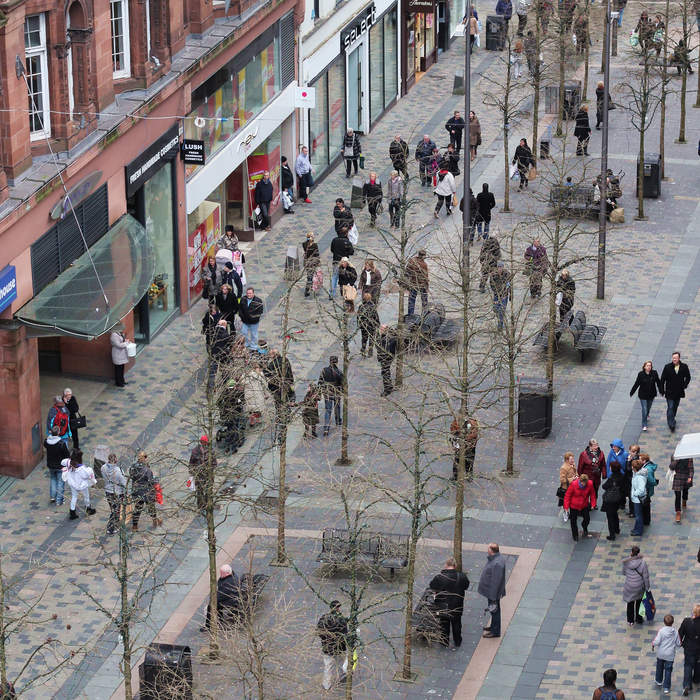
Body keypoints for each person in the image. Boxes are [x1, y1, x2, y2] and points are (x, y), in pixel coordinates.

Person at [429, 557, 469, 647]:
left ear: (446, 565)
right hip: (457, 604)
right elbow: (466, 586)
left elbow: (432, 586)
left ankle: (444, 641)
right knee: (457, 623)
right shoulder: (462, 576)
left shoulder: (439, 577)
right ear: (455, 565)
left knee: (444, 623)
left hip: (443, 605)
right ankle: (457, 641)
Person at [317, 600, 348, 690]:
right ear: (338, 608)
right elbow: (344, 633)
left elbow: (320, 632)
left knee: (328, 666)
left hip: (328, 648)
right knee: (341, 662)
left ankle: (326, 685)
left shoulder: (324, 618)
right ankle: (342, 676)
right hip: (339, 648)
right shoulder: (341, 619)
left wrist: (326, 640)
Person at [478, 543, 506, 638]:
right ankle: (493, 627)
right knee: (494, 610)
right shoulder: (497, 559)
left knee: (495, 611)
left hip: (493, 593)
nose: (487, 550)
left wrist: (493, 597)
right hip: (492, 592)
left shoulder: (497, 563)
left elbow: (495, 582)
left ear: (491, 550)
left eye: (488, 548)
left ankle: (495, 631)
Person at [202, 564, 242, 631]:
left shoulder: (228, 583)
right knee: (215, 603)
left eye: (222, 573)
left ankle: (208, 626)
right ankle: (219, 619)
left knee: (211, 605)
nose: (220, 574)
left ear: (227, 573)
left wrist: (213, 599)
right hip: (232, 597)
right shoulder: (231, 576)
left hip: (231, 600)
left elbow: (220, 596)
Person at [660, 351, 691, 432]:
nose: (674, 359)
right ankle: (671, 424)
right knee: (670, 407)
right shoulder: (667, 367)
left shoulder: (684, 367)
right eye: (673, 358)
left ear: (679, 358)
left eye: (675, 358)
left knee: (675, 407)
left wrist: (684, 385)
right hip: (669, 392)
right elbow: (662, 379)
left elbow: (688, 377)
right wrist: (662, 390)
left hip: (679, 392)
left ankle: (672, 418)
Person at [130, 451, 161, 530]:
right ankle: (154, 520)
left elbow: (131, 476)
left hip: (137, 491)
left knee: (137, 508)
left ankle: (134, 526)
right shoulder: (147, 470)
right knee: (151, 506)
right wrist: (156, 480)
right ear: (144, 458)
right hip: (146, 492)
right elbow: (151, 481)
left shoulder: (133, 467)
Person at [653, 614, 682, 694]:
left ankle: (659, 680)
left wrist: (653, 643)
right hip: (670, 655)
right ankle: (666, 687)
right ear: (672, 622)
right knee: (668, 671)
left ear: (664, 622)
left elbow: (657, 641)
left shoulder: (661, 631)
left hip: (661, 654)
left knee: (659, 667)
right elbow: (679, 643)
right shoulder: (675, 632)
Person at [629, 360, 662, 431]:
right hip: (643, 395)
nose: (649, 367)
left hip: (651, 394)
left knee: (648, 408)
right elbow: (637, 383)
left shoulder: (654, 373)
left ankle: (647, 415)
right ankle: (644, 424)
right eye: (647, 365)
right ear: (644, 367)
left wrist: (661, 391)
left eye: (650, 365)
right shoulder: (641, 374)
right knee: (644, 409)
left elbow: (658, 382)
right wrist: (632, 391)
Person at [62, 451, 95, 519]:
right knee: (86, 496)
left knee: (74, 497)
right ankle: (88, 509)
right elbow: (86, 475)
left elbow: (62, 462)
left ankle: (72, 512)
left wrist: (69, 461)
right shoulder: (82, 468)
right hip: (81, 484)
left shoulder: (69, 463)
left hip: (73, 484)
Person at [622, 545, 650, 625]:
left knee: (630, 603)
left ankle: (630, 620)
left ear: (631, 552)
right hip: (639, 587)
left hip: (629, 586)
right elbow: (646, 577)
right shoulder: (643, 563)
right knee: (639, 602)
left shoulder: (626, 562)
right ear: (638, 553)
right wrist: (647, 588)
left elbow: (624, 572)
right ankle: (639, 619)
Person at [563, 472, 596, 541]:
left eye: (585, 483)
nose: (583, 485)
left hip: (584, 505)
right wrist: (566, 507)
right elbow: (567, 496)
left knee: (587, 519)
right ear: (580, 481)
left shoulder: (590, 484)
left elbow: (592, 494)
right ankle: (575, 535)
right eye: (582, 483)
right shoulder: (573, 484)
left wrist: (593, 504)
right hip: (574, 506)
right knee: (573, 521)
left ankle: (584, 527)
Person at [189, 436, 216, 513]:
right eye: (204, 442)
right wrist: (192, 472)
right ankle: (200, 505)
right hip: (199, 475)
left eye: (206, 443)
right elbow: (191, 463)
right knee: (200, 490)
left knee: (209, 489)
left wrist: (210, 469)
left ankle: (209, 503)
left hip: (208, 475)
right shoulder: (195, 451)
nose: (205, 444)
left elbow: (214, 462)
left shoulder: (211, 451)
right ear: (201, 442)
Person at [44, 425, 70, 506]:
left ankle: (52, 497)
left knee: (53, 479)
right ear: (59, 433)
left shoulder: (46, 441)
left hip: (51, 465)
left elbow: (46, 443)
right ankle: (59, 501)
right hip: (60, 466)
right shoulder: (61, 443)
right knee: (60, 482)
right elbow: (67, 455)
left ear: (51, 432)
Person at [102, 453, 126, 536]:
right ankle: (111, 528)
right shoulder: (118, 471)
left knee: (113, 509)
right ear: (115, 459)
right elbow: (123, 483)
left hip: (108, 491)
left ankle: (114, 525)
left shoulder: (103, 468)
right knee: (116, 511)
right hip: (117, 492)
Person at [679, 604, 700, 696]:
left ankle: (687, 685)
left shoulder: (687, 621)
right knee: (698, 664)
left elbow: (680, 634)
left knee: (688, 666)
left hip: (689, 648)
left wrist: (682, 643)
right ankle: (696, 679)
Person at [319, 356, 343, 436]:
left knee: (328, 410)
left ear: (329, 362)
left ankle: (326, 428)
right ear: (337, 362)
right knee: (337, 407)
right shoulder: (339, 372)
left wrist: (323, 390)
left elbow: (320, 382)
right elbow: (342, 384)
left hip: (327, 392)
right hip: (336, 392)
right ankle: (338, 421)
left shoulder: (324, 370)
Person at [450, 414, 479, 481]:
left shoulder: (472, 423)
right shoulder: (456, 422)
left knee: (469, 460)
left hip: (470, 445)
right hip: (460, 444)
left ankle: (469, 475)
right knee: (457, 460)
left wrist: (465, 438)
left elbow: (474, 434)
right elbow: (452, 430)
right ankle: (455, 476)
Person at [602, 461, 625, 540]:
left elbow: (604, 486)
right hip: (618, 499)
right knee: (615, 514)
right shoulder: (622, 476)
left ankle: (612, 535)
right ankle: (617, 529)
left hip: (610, 500)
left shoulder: (612, 478)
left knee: (610, 517)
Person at [578, 438, 606, 503]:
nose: (596, 447)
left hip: (596, 477)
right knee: (586, 492)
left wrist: (604, 474)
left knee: (595, 491)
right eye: (594, 445)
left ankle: (594, 503)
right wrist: (580, 477)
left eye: (597, 445)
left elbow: (603, 464)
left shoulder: (601, 453)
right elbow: (580, 467)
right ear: (590, 446)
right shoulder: (584, 454)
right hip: (588, 478)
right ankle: (586, 504)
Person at [330, 226, 354, 299]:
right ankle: (344, 293)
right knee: (344, 277)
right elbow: (351, 252)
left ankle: (331, 294)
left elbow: (332, 249)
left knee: (334, 277)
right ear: (346, 233)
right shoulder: (347, 242)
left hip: (336, 261)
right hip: (344, 262)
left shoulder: (334, 240)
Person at [669, 457, 694, 523]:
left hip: (686, 477)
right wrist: (676, 460)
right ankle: (678, 512)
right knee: (677, 495)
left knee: (685, 492)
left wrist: (690, 477)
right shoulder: (674, 456)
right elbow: (671, 467)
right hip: (677, 477)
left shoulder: (689, 457)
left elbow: (691, 469)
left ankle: (684, 500)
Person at [405, 250, 429, 316]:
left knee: (411, 300)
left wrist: (407, 283)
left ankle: (410, 314)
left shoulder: (411, 261)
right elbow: (425, 277)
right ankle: (424, 314)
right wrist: (427, 286)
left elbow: (406, 272)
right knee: (424, 300)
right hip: (422, 284)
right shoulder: (424, 265)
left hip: (413, 284)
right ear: (424, 256)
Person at [377, 325, 397, 397]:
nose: (380, 330)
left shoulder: (386, 339)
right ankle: (389, 386)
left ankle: (387, 389)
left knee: (385, 373)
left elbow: (383, 349)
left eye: (382, 329)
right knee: (386, 372)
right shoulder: (390, 336)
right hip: (387, 357)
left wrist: (382, 358)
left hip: (386, 358)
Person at [489, 261, 511, 330]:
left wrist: (510, 295)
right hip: (497, 295)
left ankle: (500, 325)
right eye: (498, 267)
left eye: (501, 267)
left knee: (502, 310)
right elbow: (491, 284)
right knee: (495, 308)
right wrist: (496, 291)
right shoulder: (493, 275)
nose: (500, 269)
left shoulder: (507, 274)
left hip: (504, 295)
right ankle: (499, 318)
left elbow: (510, 285)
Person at [357, 292, 380, 358]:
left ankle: (363, 349)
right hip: (371, 325)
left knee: (364, 338)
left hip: (364, 326)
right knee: (371, 338)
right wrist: (378, 324)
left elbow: (358, 316)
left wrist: (359, 324)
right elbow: (376, 316)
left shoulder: (361, 307)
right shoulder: (373, 307)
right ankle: (370, 351)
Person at [639, 452, 658, 526]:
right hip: (647, 490)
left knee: (646, 506)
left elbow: (651, 481)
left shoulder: (647, 469)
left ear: (644, 461)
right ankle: (646, 520)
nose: (638, 461)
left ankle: (646, 521)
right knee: (646, 505)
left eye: (640, 459)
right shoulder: (647, 467)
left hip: (646, 490)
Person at [630, 460, 647, 537]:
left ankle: (638, 531)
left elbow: (641, 489)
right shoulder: (636, 474)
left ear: (634, 468)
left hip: (638, 499)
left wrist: (634, 494)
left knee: (638, 515)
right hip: (637, 499)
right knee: (638, 514)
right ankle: (636, 528)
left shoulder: (639, 477)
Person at [302, 232, 320, 298]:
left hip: (306, 262)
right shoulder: (315, 245)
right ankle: (307, 290)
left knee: (309, 275)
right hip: (312, 262)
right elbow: (317, 254)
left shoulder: (304, 244)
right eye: (313, 236)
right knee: (310, 276)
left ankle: (310, 287)